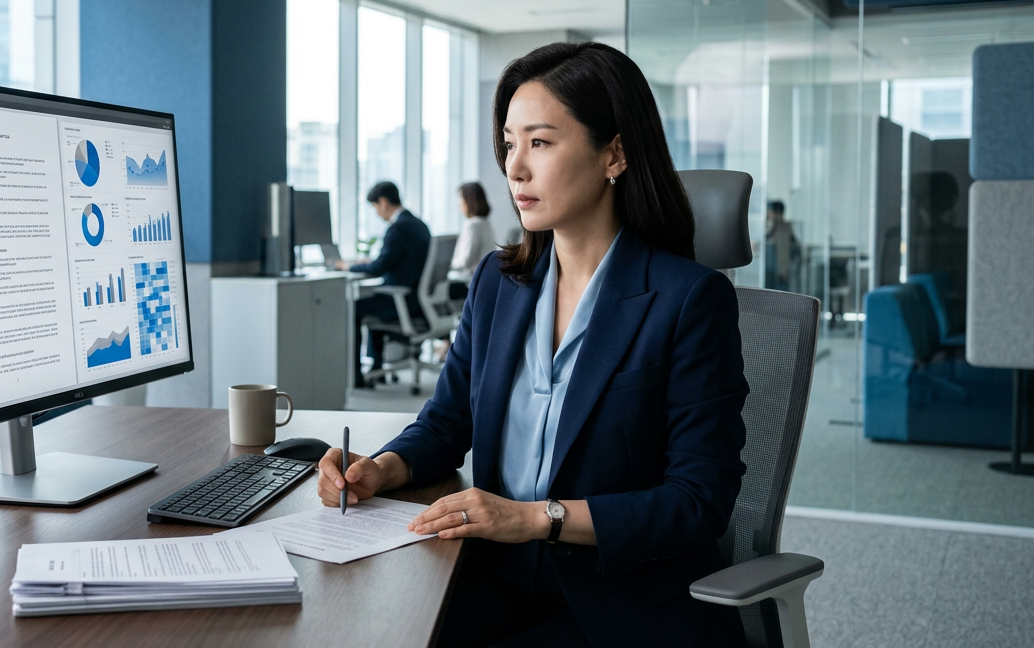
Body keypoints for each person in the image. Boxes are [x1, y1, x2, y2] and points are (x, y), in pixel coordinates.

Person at [317, 42, 749, 647]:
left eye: (540, 143)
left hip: (616, 603)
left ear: (614, 154)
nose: (515, 168)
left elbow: (698, 502)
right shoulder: (500, 281)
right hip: (490, 573)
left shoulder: (688, 299)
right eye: (510, 144)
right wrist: (382, 468)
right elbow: (446, 422)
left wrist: (535, 519)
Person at [335, 181, 431, 387]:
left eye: (375, 207)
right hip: (416, 300)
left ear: (383, 202)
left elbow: (378, 268)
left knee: (354, 307)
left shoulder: (398, 228)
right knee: (372, 301)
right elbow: (391, 261)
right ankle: (377, 368)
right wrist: (368, 263)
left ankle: (356, 377)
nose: (377, 213)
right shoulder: (418, 224)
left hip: (402, 301)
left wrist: (348, 266)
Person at [449, 182, 496, 286]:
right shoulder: (484, 222)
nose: (459, 203)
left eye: (461, 197)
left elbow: (465, 261)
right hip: (484, 278)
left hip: (470, 281)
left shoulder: (472, 225)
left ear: (469, 200)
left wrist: (447, 266)